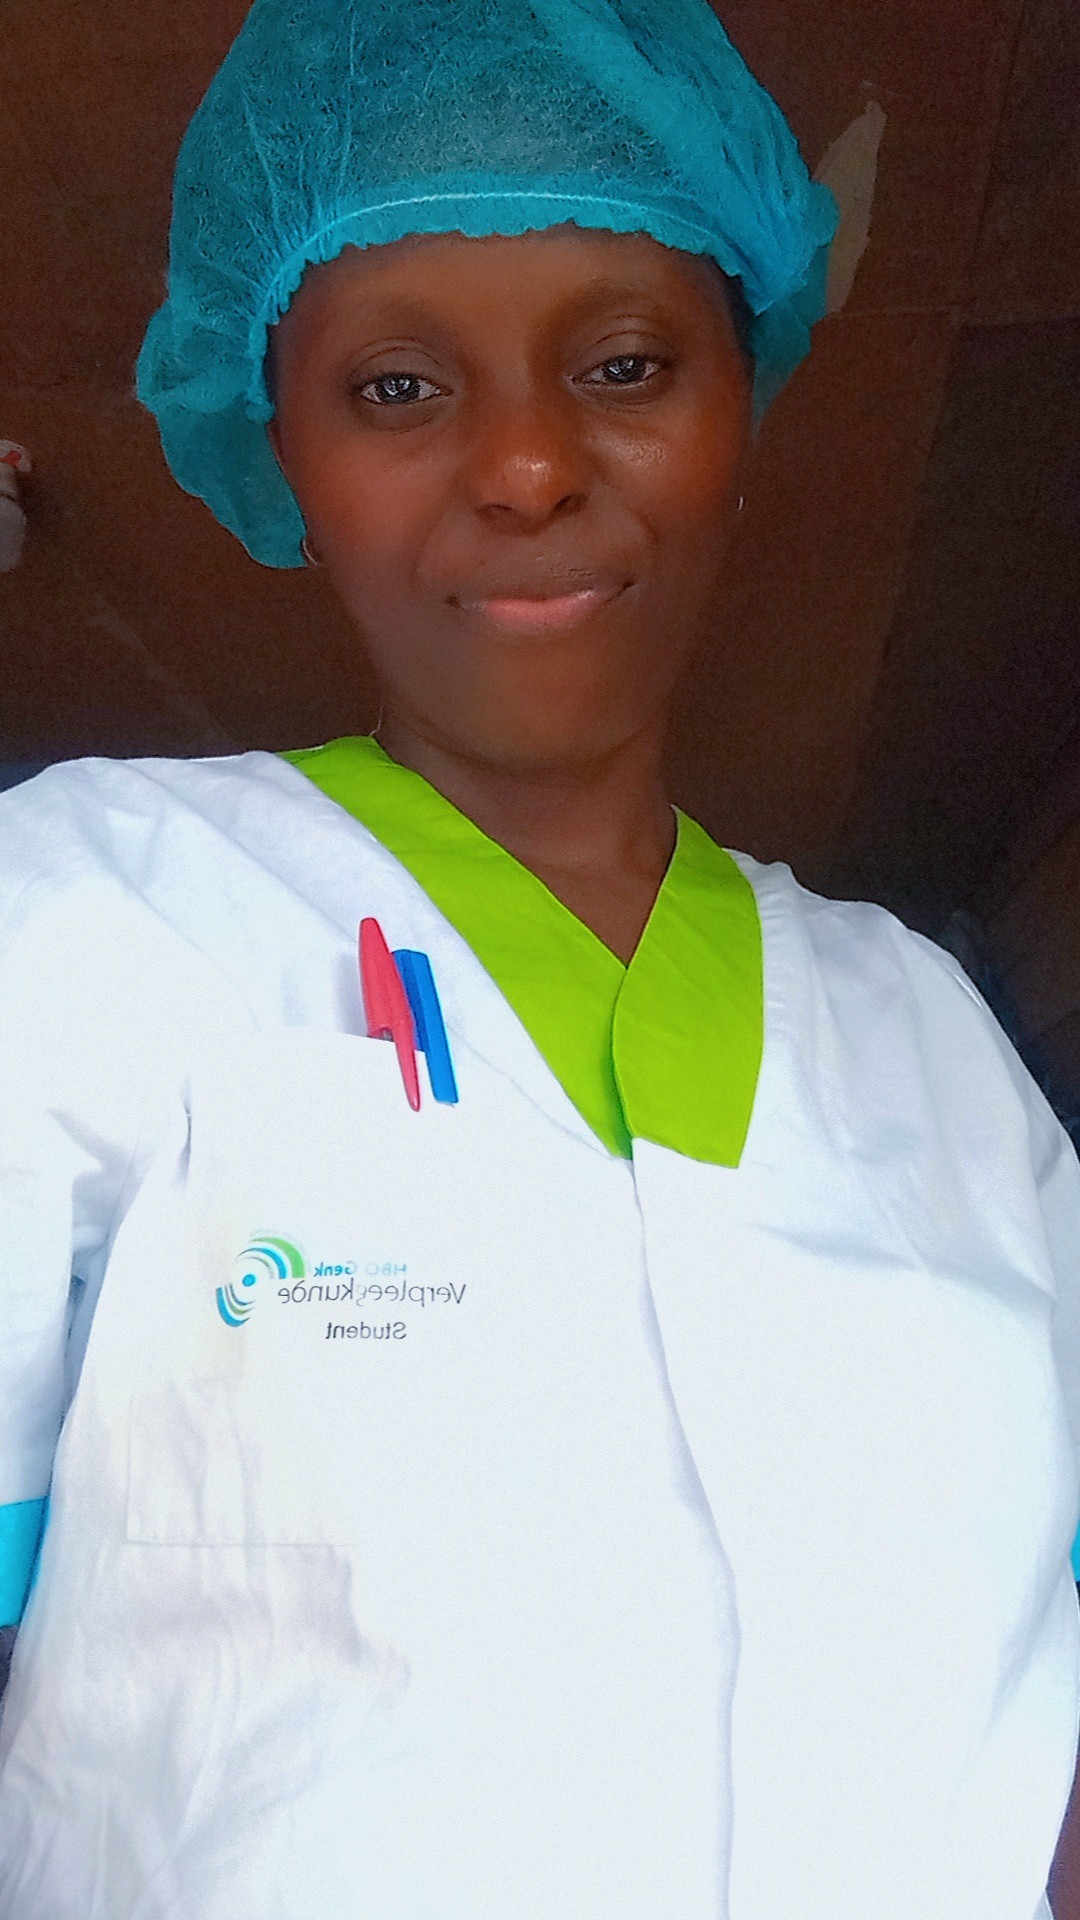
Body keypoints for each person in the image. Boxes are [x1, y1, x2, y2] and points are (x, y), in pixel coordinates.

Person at [1, 2, 1078, 1915]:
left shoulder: (930, 1034)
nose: (522, 464)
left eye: (627, 361)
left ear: (745, 404)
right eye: (397, 386)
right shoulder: (86, 913)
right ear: (281, 447)